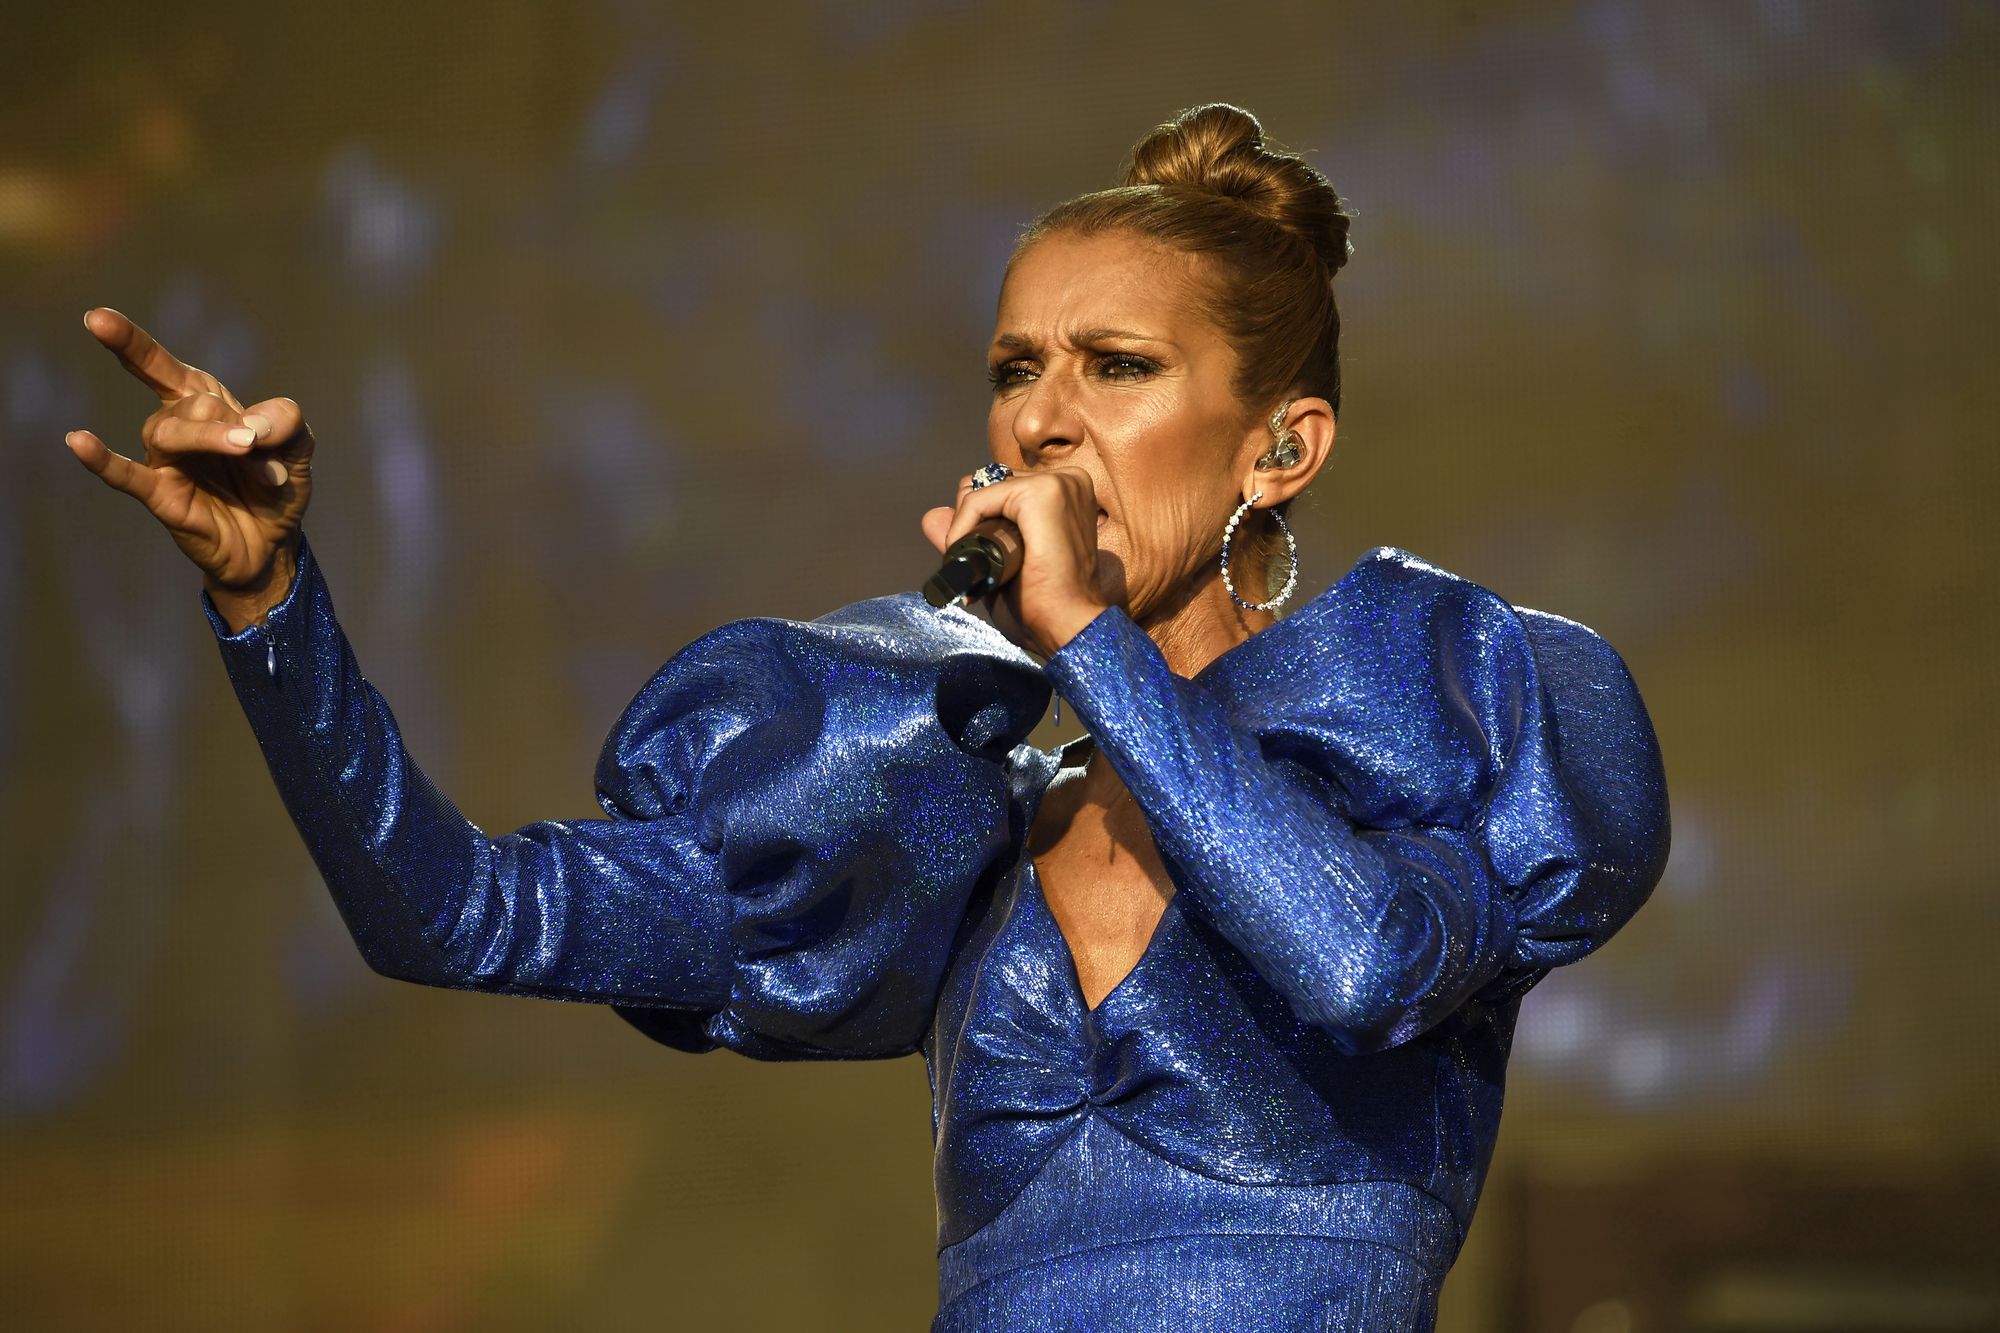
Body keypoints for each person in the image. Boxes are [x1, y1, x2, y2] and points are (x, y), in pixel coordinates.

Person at [67, 104, 1669, 1332]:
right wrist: (270, 599)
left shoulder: (1433, 707)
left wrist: (1090, 643)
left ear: (1283, 447)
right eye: (1016, 368)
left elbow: (1365, 964)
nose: (1042, 420)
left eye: (1116, 367)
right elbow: (456, 913)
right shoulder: (958, 811)